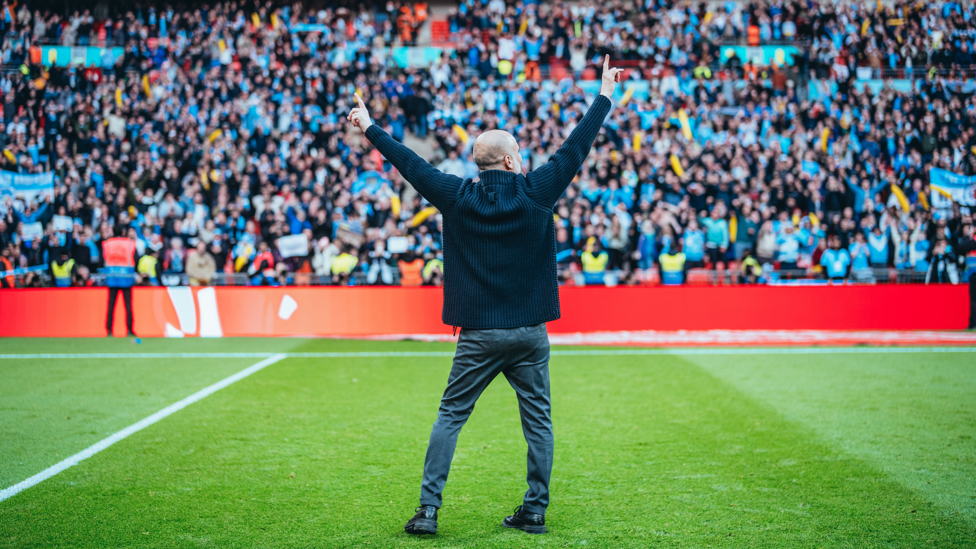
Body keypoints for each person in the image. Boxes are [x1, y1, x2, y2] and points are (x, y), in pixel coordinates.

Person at [348, 55, 622, 536]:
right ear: (512, 160)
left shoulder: (457, 195)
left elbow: (410, 164)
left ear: (480, 163)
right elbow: (576, 147)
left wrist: (370, 126)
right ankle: (535, 510)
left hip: (478, 334)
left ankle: (428, 512)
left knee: (451, 416)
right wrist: (604, 95)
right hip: (529, 333)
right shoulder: (537, 190)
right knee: (538, 422)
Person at [101, 227, 137, 337]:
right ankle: (130, 330)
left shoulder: (107, 244)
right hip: (126, 279)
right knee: (128, 306)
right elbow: (135, 258)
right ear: (123, 232)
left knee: (111, 306)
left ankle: (109, 331)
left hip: (112, 278)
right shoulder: (130, 243)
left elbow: (103, 259)